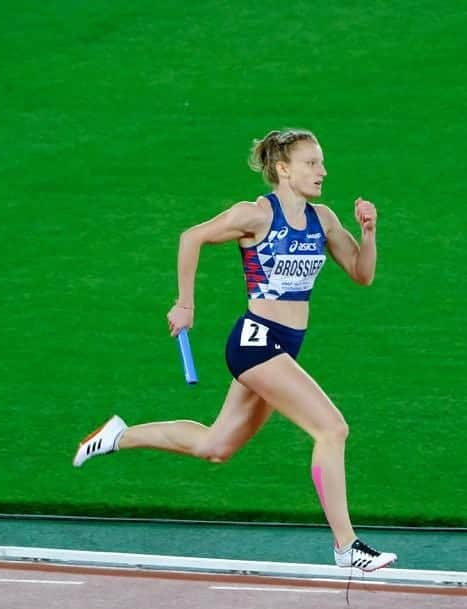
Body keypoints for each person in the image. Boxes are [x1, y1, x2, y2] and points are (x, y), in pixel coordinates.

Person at [73, 129, 396, 573]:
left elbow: (362, 274)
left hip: (285, 348)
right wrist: (185, 304)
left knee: (216, 446)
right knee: (331, 429)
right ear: (283, 169)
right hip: (255, 342)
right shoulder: (255, 215)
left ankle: (116, 435)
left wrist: (369, 232)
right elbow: (192, 237)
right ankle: (346, 545)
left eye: (321, 162)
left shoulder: (323, 220)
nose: (322, 171)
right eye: (311, 163)